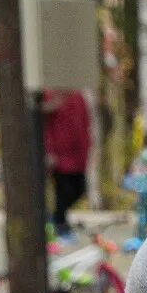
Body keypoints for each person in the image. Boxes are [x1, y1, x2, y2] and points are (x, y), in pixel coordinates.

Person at [43, 87, 93, 230]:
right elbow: (45, 126)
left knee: (79, 189)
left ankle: (56, 218)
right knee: (63, 191)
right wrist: (49, 151)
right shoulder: (50, 95)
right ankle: (59, 222)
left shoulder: (78, 96)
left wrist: (87, 148)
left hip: (78, 155)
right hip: (60, 156)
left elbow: (85, 123)